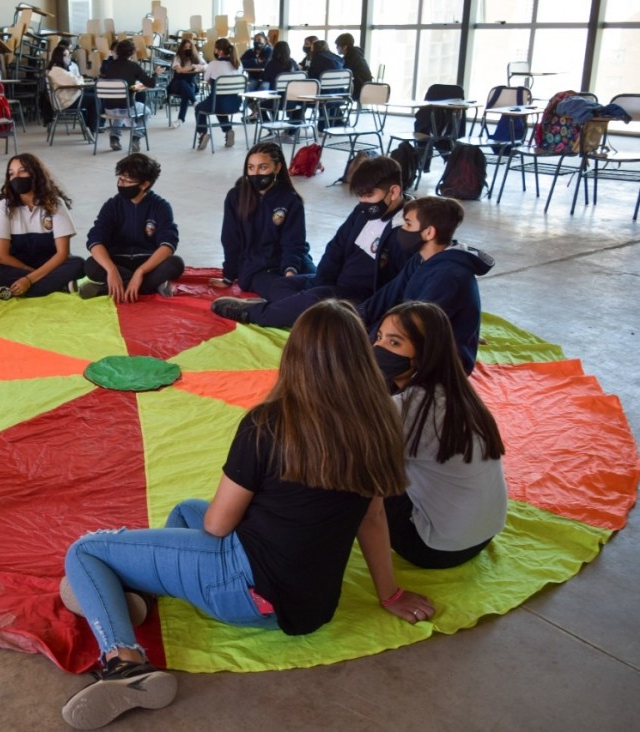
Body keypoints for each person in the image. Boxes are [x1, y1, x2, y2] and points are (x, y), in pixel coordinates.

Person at [59, 299, 435, 729]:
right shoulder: (381, 420)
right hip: (311, 605)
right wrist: (390, 593)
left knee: (86, 552)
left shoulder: (271, 422)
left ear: (294, 357)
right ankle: (140, 593)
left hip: (246, 591)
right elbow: (372, 518)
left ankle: (125, 663)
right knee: (184, 511)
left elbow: (219, 525)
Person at [373, 301, 508, 568]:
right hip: (482, 534)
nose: (378, 348)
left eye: (395, 343)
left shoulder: (409, 407)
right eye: (379, 338)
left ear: (424, 353)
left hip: (434, 547)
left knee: (351, 481)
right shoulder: (458, 391)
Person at [212, 156, 408, 327]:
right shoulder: (361, 212)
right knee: (283, 285)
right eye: (360, 197)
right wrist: (318, 282)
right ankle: (293, 310)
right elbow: (336, 248)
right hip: (335, 282)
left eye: (369, 196)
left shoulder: (408, 228)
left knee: (313, 300)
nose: (363, 202)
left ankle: (253, 313)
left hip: (359, 296)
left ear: (394, 191)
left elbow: (400, 283)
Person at [358, 196, 494, 374]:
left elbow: (415, 329)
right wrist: (355, 319)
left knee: (354, 370)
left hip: (441, 363)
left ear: (429, 232)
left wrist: (370, 345)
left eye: (408, 224)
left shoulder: (449, 276)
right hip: (406, 341)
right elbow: (389, 294)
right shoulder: (421, 259)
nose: (402, 230)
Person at [210, 141, 313, 300]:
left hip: (291, 261)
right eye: (251, 167)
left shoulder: (290, 200)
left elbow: (294, 242)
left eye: (263, 167)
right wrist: (229, 276)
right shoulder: (235, 197)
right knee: (289, 296)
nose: (256, 173)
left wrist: (290, 273)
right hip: (257, 268)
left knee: (323, 289)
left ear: (277, 168)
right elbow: (230, 240)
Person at [81, 153, 184, 302]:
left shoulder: (160, 206)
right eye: (120, 179)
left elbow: (168, 245)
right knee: (90, 265)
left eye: (127, 181)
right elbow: (95, 240)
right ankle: (151, 286)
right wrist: (111, 270)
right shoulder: (112, 205)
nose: (120, 184)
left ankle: (104, 289)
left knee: (175, 264)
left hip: (148, 263)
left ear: (144, 184)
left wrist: (140, 272)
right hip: (117, 261)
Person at [0, 153, 84, 300]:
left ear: (36, 174)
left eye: (22, 171)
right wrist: (30, 273)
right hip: (20, 266)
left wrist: (29, 280)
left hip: (51, 264)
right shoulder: (4, 207)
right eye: (11, 174)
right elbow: (1, 255)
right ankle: (58, 286)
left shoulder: (55, 203)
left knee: (79, 264)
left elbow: (62, 254)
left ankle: (11, 290)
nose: (16, 177)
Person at [99, 38, 160, 153]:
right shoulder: (133, 66)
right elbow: (151, 83)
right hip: (126, 108)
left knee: (121, 104)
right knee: (146, 112)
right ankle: (136, 137)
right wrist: (156, 73)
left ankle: (114, 138)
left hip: (108, 109)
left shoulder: (109, 66)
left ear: (117, 51)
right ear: (132, 52)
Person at [194, 37, 244, 151]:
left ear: (220, 51)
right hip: (235, 103)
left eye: (215, 49)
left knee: (200, 108)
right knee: (220, 107)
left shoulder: (213, 64)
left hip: (217, 103)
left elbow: (206, 79)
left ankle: (203, 133)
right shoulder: (238, 64)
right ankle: (228, 130)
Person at [46, 44, 93, 127]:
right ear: (58, 57)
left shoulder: (58, 70)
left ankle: (89, 126)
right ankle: (92, 128)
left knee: (93, 92)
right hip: (66, 102)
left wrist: (79, 78)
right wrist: (80, 78)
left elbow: (75, 80)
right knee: (94, 99)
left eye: (68, 55)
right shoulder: (57, 71)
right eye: (65, 55)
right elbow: (76, 82)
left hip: (68, 98)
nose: (68, 58)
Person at [167, 38, 206, 128]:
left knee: (186, 91)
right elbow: (179, 70)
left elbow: (206, 66)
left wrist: (196, 66)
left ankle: (180, 119)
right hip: (176, 84)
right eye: (185, 47)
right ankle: (195, 102)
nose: (188, 49)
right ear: (182, 48)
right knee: (183, 83)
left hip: (190, 84)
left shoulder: (196, 57)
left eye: (190, 47)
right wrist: (189, 68)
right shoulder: (178, 57)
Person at [334, 33, 373, 100]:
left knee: (333, 92)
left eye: (338, 45)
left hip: (359, 89)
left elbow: (343, 73)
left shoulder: (350, 57)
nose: (336, 47)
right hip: (365, 86)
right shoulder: (356, 54)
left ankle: (334, 110)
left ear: (345, 47)